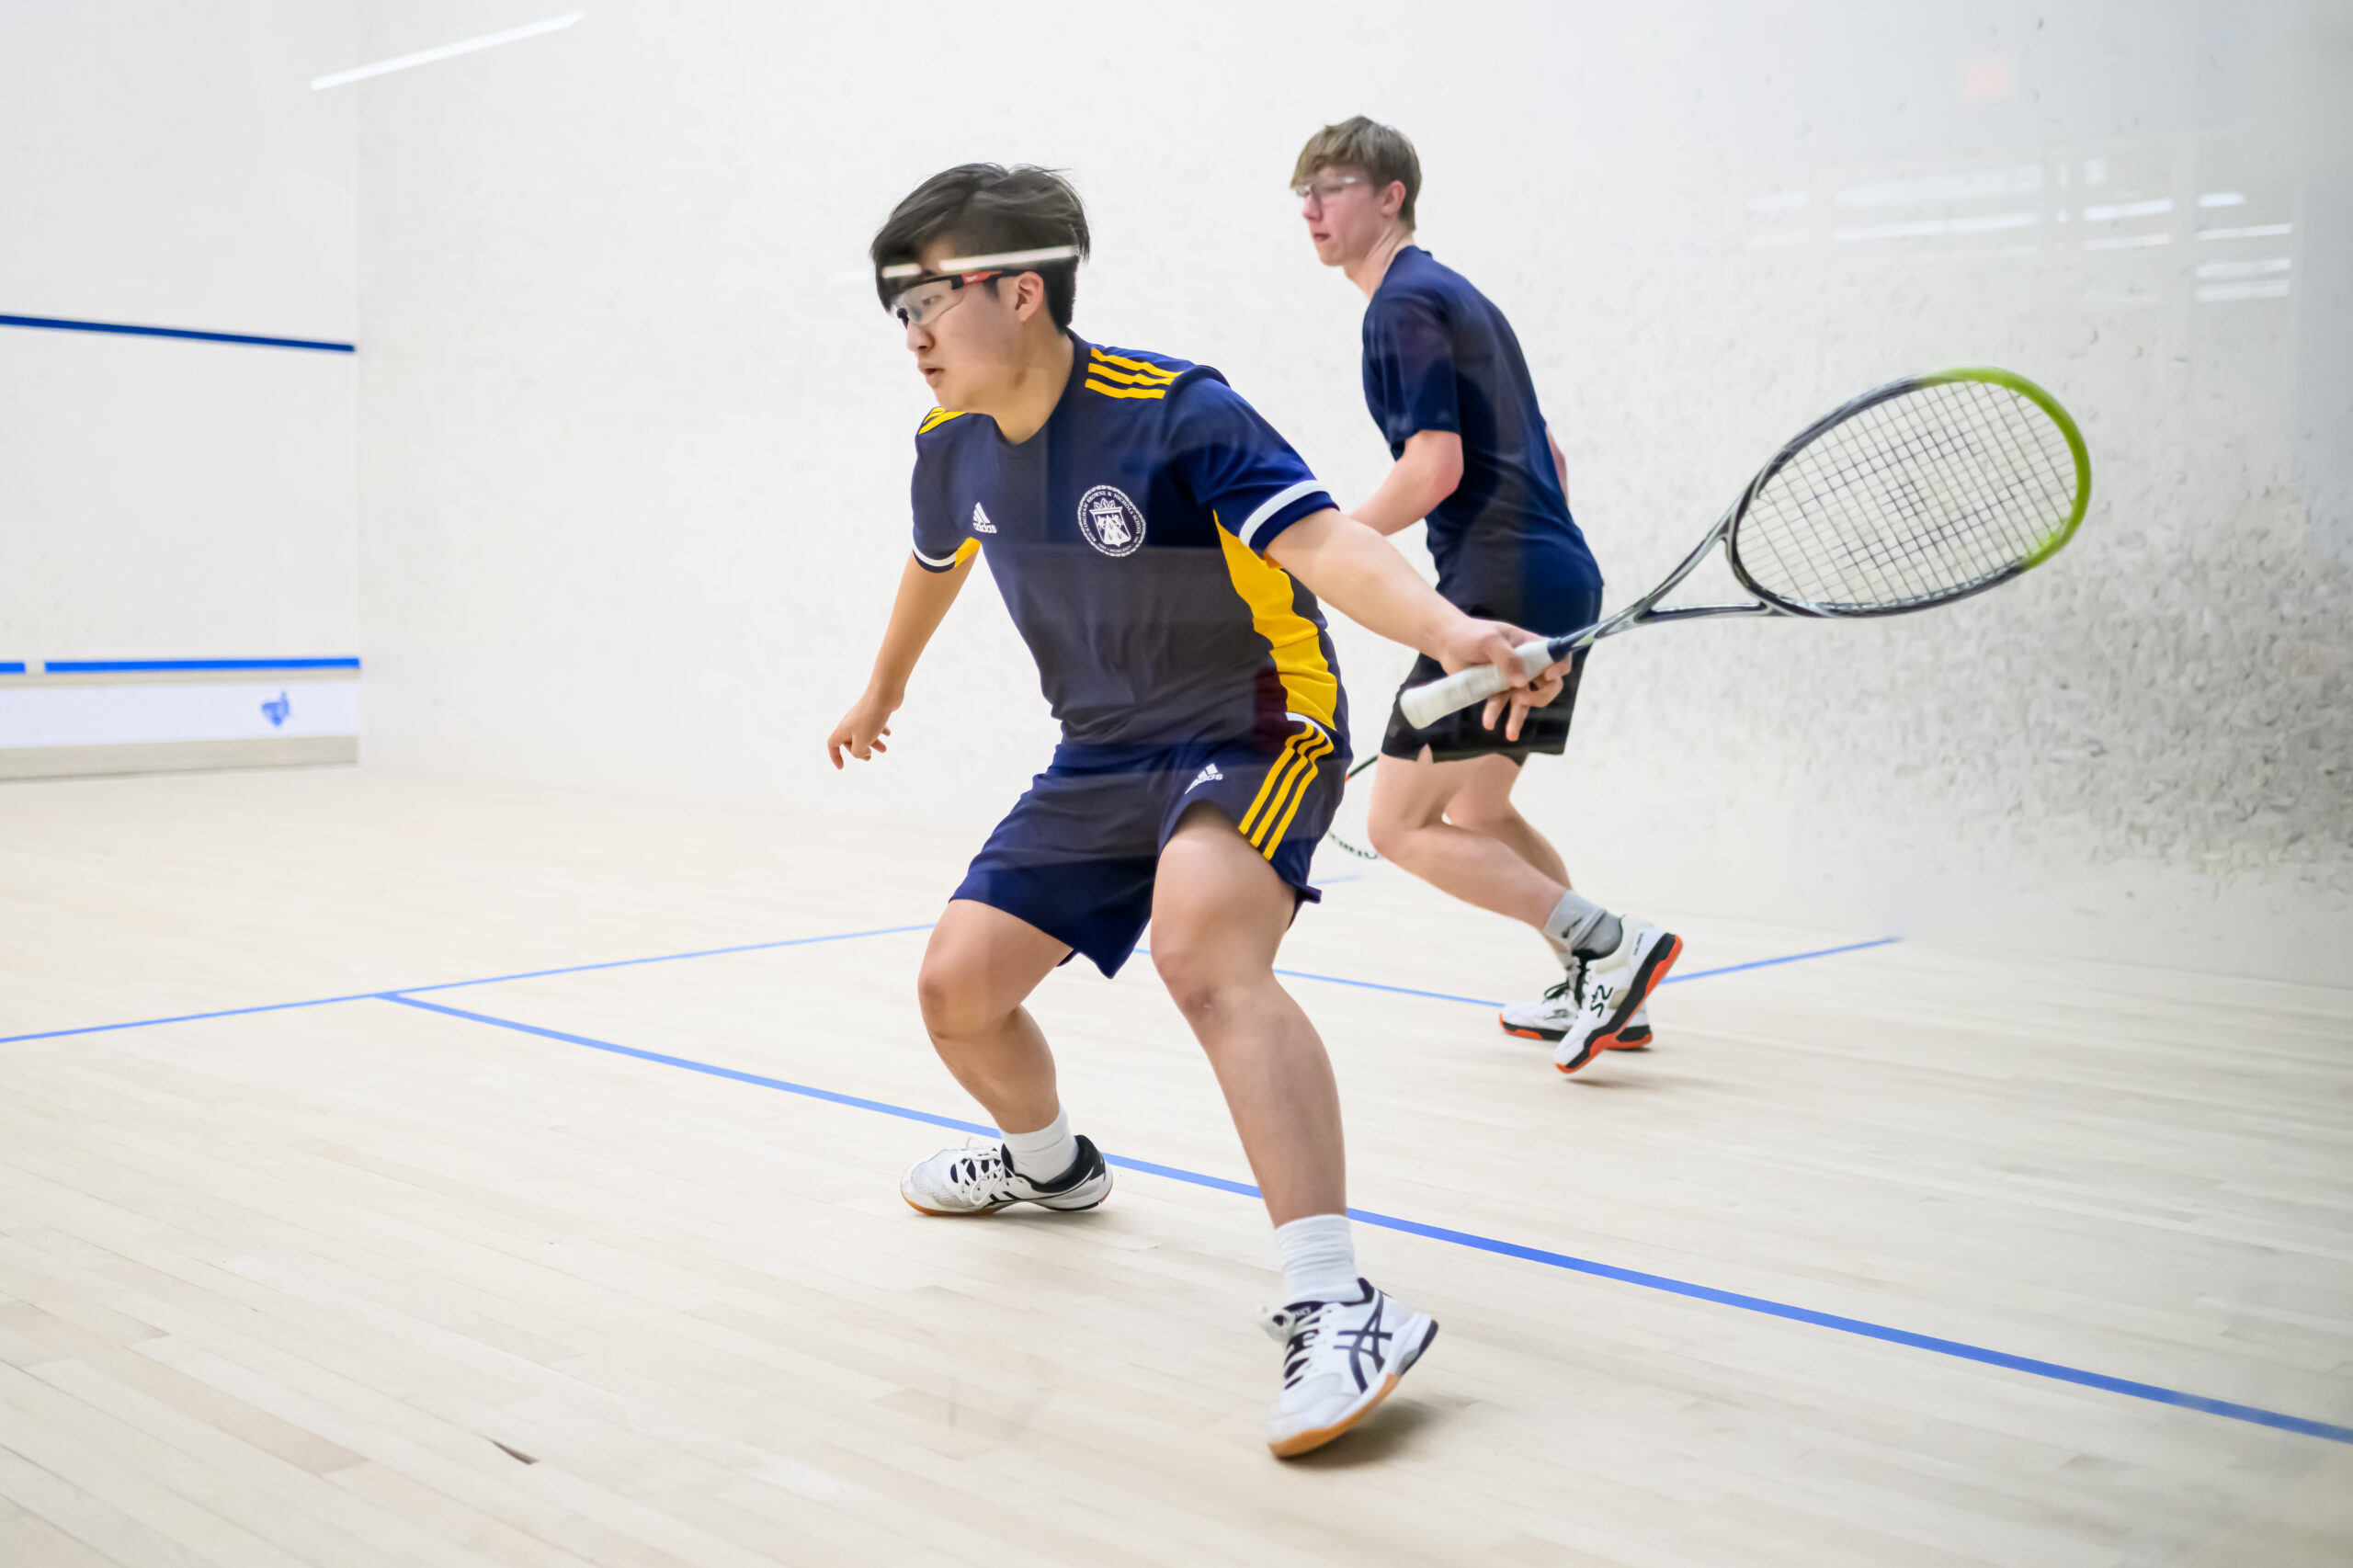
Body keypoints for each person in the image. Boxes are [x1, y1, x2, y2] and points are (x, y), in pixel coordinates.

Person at [826, 164, 1567, 1458]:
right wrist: (880, 687)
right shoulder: (948, 451)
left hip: (1256, 719)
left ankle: (1338, 1298)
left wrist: (1449, 628)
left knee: (1203, 949)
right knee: (957, 989)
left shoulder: (1175, 410)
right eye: (896, 312)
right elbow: (936, 559)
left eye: (928, 300)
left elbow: (1329, 542)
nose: (914, 335)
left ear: (1022, 289)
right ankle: (1051, 1165)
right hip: (1100, 751)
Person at [1292, 117, 1681, 1071]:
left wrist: (1319, 541)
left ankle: (1608, 942)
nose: (1310, 208)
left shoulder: (1399, 303)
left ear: (1391, 197)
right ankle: (1602, 988)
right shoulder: (1457, 297)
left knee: (1400, 823)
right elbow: (1547, 452)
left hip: (1503, 578)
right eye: (1301, 192)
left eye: (1333, 186)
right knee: (1475, 805)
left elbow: (1433, 467)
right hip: (1552, 569)